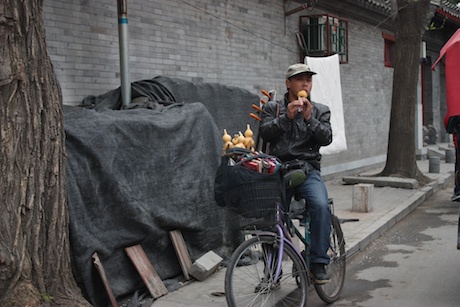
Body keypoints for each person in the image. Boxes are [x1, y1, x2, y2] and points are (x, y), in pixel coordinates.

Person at [259, 63, 333, 284]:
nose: (305, 84)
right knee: (270, 217)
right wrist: (286, 118)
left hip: (307, 169)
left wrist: (310, 119)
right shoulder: (274, 108)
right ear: (288, 83)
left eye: (308, 80)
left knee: (320, 206)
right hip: (279, 169)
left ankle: (318, 262)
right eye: (300, 79)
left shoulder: (320, 109)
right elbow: (264, 132)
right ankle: (272, 269)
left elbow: (326, 137)